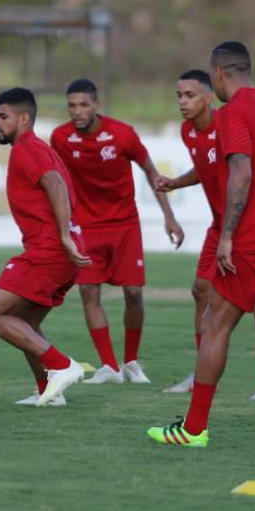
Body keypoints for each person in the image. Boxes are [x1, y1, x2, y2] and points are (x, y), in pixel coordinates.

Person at [147, 42, 255, 451]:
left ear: (219, 74)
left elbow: (239, 172)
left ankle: (192, 429)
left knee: (214, 325)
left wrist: (228, 235)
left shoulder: (232, 114)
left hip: (254, 238)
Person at [154, 70, 255, 401]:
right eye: (179, 96)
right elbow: (207, 167)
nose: (183, 102)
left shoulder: (228, 124)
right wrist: (175, 183)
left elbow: (242, 170)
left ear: (208, 97)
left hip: (242, 226)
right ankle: (201, 373)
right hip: (218, 226)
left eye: (190, 95)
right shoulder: (188, 131)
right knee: (200, 290)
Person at [49, 79, 183, 386]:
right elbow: (54, 181)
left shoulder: (122, 134)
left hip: (124, 226)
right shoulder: (60, 138)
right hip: (86, 226)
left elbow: (152, 172)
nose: (77, 111)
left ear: (96, 105)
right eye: (72, 105)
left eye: (83, 105)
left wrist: (169, 216)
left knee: (134, 295)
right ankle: (109, 366)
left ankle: (131, 362)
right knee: (88, 291)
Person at [0, 87, 90, 407]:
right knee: (25, 323)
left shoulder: (26, 148)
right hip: (60, 250)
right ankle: (48, 392)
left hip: (50, 251)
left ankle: (61, 365)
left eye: (3, 116)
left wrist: (64, 236)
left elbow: (54, 183)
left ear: (24, 119)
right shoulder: (35, 146)